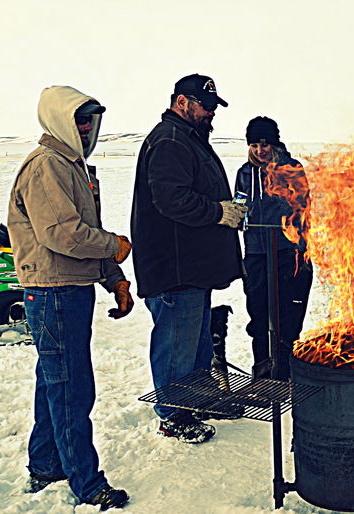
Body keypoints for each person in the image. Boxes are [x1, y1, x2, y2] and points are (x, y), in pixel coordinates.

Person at [7, 86, 133, 510]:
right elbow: (62, 236)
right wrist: (112, 245)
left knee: (55, 383)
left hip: (69, 290)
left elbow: (83, 231)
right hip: (54, 292)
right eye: (79, 119)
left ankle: (45, 463)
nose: (86, 128)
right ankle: (87, 483)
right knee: (71, 389)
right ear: (58, 119)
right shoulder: (47, 166)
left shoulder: (72, 166)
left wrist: (114, 278)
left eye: (92, 120)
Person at [131, 74, 246, 442]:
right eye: (206, 105)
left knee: (194, 343)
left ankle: (196, 401)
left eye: (214, 106)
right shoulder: (170, 141)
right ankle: (172, 414)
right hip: (174, 269)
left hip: (192, 269)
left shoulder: (187, 138)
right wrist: (217, 212)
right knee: (176, 345)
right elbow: (171, 200)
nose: (212, 112)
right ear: (182, 102)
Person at [235, 116, 313, 380]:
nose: (260, 150)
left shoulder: (291, 169)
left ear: (274, 144)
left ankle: (285, 371)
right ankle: (262, 370)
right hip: (256, 252)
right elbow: (240, 205)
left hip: (286, 252)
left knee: (286, 316)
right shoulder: (244, 173)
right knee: (258, 313)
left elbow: (303, 207)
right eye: (254, 145)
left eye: (265, 144)